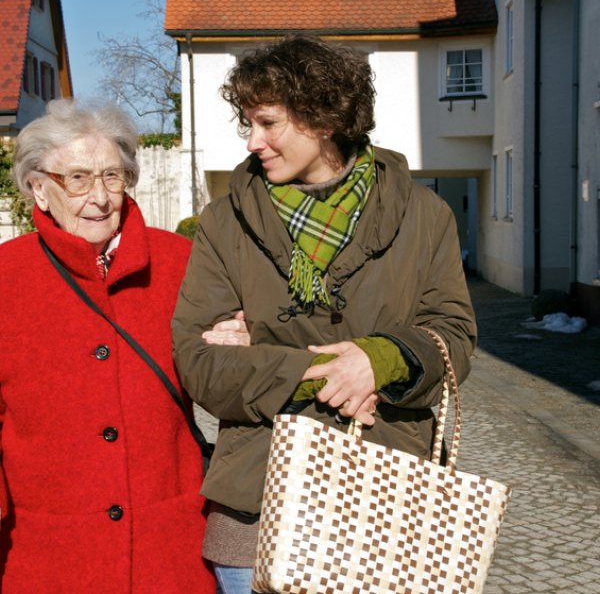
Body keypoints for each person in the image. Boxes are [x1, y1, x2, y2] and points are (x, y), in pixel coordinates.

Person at [172, 35, 477, 593]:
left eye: (268, 123)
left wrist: (380, 359)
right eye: (248, 124)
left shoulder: (425, 215)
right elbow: (199, 362)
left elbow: (453, 336)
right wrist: (330, 374)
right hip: (257, 500)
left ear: (323, 117)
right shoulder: (223, 223)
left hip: (388, 497)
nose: (253, 140)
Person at [0, 99, 217, 592]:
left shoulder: (180, 262)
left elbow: (227, 379)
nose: (99, 197)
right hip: (47, 553)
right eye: (77, 178)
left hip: (170, 549)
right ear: (39, 187)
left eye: (112, 177)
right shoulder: (5, 276)